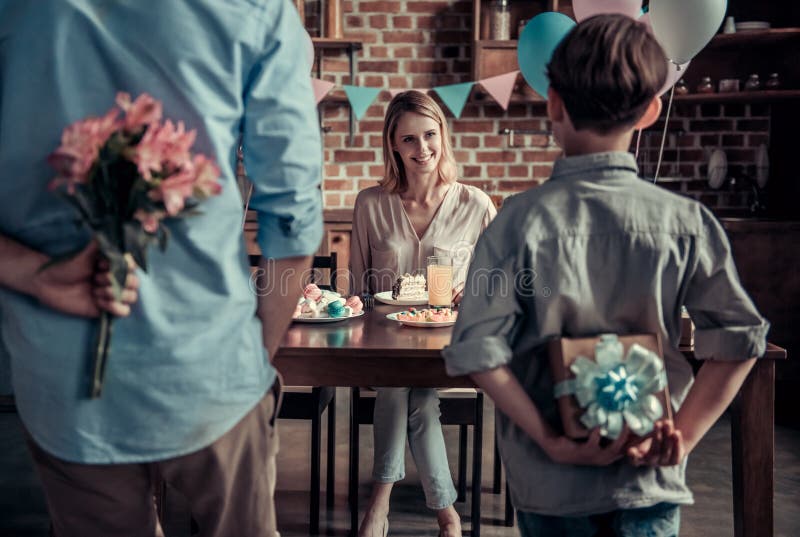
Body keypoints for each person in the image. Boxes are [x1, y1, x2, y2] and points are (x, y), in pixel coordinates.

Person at [0, 1, 322, 536]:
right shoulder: (256, 9)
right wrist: (255, 358)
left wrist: (34, 273)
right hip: (212, 370)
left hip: (62, 381)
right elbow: (291, 216)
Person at [442, 14, 769, 537]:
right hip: (648, 477)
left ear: (553, 104)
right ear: (650, 112)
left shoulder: (516, 223)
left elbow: (477, 351)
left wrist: (549, 439)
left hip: (550, 485)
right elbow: (740, 341)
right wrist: (681, 437)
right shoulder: (687, 223)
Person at [349, 90, 497, 537]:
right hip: (384, 348)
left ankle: (380, 503)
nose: (422, 149)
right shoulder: (370, 204)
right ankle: (447, 516)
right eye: (409, 139)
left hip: (447, 348)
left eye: (430, 135)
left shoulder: (475, 204)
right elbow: (358, 290)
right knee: (408, 392)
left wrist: (470, 292)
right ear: (393, 144)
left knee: (408, 390)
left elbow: (500, 286)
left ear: (443, 136)